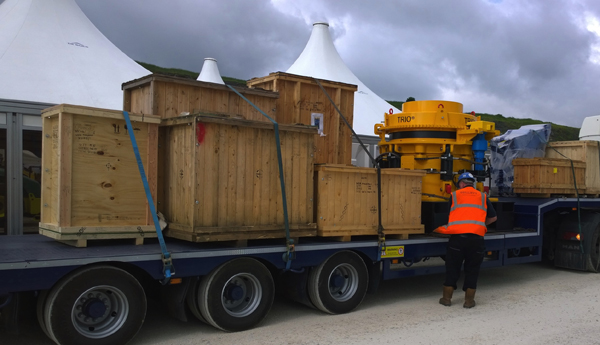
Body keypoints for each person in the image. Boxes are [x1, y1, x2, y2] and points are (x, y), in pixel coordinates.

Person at [434, 172, 497, 308]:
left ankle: (446, 299)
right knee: (472, 269)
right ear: (472, 184)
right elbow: (493, 218)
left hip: (457, 238)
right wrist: (478, 225)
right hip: (476, 239)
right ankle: (469, 301)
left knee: (452, 267)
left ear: (461, 184)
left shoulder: (454, 196)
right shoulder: (483, 197)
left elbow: (449, 215)